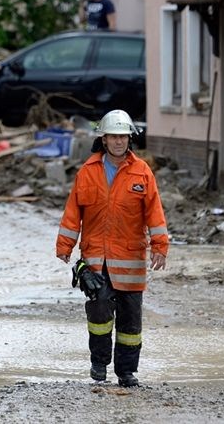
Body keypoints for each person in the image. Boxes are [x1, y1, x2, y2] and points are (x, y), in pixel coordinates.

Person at [55, 109, 168, 388]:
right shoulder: (87, 172)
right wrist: (65, 244)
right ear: (103, 139)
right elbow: (73, 212)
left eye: (123, 137)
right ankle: (99, 363)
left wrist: (160, 246)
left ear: (130, 139)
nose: (119, 142)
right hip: (96, 258)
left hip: (130, 259)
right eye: (113, 137)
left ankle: (126, 372)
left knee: (130, 322)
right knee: (99, 311)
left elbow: (155, 213)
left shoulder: (142, 172)